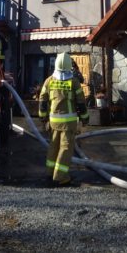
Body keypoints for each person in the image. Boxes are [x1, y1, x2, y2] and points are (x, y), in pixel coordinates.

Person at [38, 52, 89, 186]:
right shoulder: (74, 82)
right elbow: (81, 103)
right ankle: (60, 177)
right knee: (65, 148)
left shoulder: (49, 81)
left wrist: (43, 117)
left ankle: (50, 173)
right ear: (69, 66)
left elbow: (42, 100)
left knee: (53, 147)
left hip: (53, 122)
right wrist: (85, 119)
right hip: (68, 123)